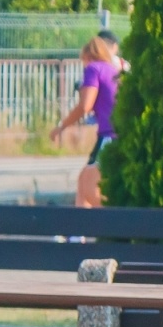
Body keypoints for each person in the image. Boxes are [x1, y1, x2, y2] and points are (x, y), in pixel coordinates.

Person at [50, 33, 120, 208]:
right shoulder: (113, 71)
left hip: (109, 136)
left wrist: (61, 127)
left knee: (91, 189)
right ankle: (76, 234)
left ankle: (113, 225)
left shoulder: (93, 69)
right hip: (115, 134)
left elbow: (85, 106)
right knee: (82, 183)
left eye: (83, 60)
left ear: (88, 56)